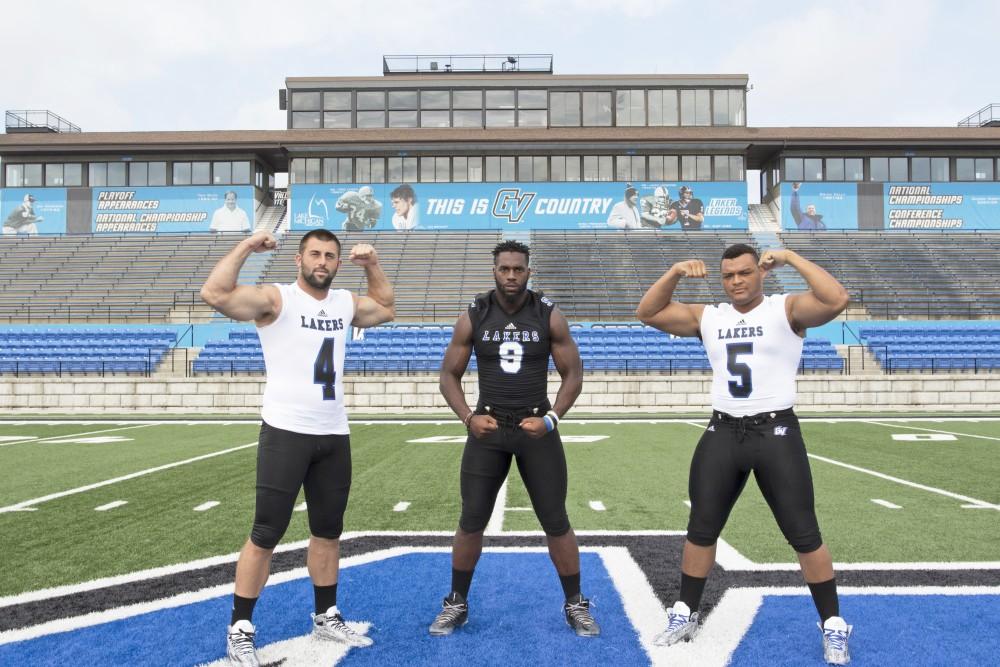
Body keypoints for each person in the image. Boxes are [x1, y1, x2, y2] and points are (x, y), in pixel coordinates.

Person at [636, 244, 853, 665]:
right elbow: (648, 312)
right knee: (701, 527)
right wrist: (676, 270)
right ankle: (685, 611)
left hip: (777, 430)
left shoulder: (784, 309)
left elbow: (836, 298)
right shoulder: (709, 316)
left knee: (803, 532)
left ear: (761, 273)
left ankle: (833, 624)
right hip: (723, 430)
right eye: (728, 275)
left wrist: (790, 257)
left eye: (744, 273)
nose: (736, 281)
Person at [200, 228, 395, 665]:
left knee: (328, 532)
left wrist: (373, 265)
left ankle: (325, 615)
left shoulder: (344, 303)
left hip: (333, 432)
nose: (322, 261)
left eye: (330, 255)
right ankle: (240, 627)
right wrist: (248, 246)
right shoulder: (277, 299)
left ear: (337, 263)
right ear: (299, 259)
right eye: (314, 254)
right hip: (286, 431)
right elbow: (215, 293)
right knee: (266, 533)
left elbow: (385, 308)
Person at [431, 239, 599, 638]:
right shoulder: (474, 313)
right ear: (494, 270)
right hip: (488, 430)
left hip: (535, 429)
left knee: (556, 521)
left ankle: (575, 604)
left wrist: (553, 419)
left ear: (528, 271)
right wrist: (468, 418)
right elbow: (447, 375)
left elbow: (573, 374)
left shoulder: (547, 314)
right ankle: (456, 602)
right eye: (504, 268)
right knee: (471, 520)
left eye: (518, 269)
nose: (511, 275)